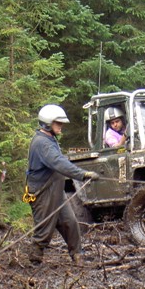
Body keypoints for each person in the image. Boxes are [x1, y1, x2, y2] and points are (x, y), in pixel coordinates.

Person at [27, 104, 99, 265]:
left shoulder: (49, 139)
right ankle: (34, 260)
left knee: (69, 222)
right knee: (44, 229)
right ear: (47, 123)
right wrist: (83, 174)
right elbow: (59, 163)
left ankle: (78, 256)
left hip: (55, 190)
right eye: (58, 123)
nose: (61, 126)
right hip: (43, 192)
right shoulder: (42, 143)